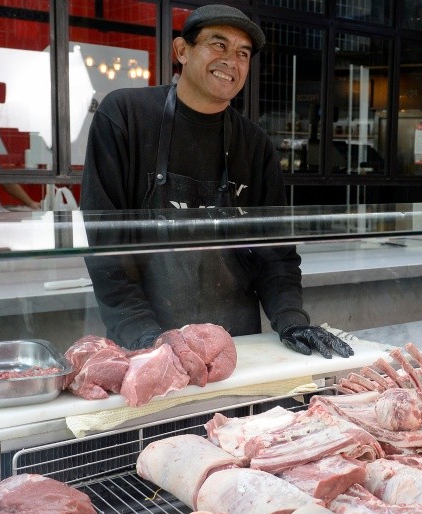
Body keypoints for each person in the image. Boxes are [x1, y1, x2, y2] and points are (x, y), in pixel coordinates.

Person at [81, 4, 352, 359]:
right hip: (146, 345)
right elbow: (106, 247)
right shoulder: (125, 117)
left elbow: (276, 253)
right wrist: (149, 340)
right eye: (218, 44)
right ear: (182, 50)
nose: (231, 61)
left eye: (242, 53)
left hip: (235, 345)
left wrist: (291, 319)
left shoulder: (254, 145)